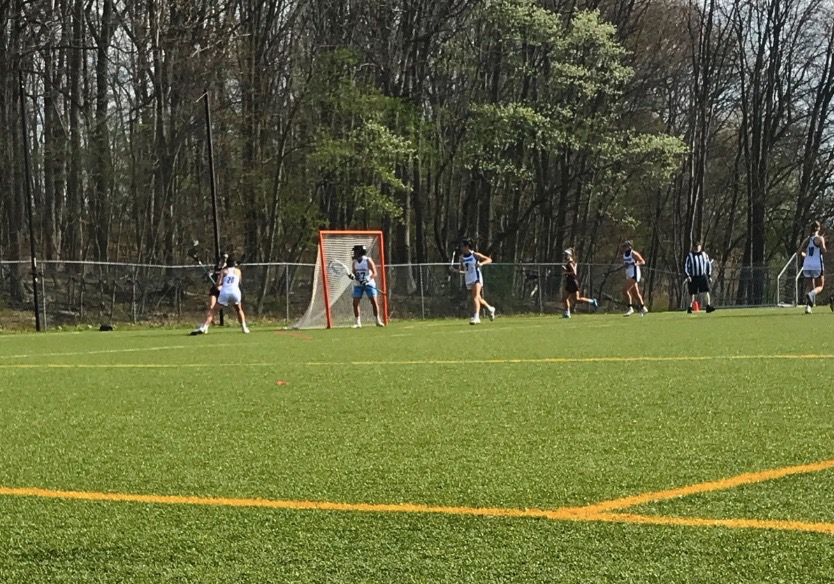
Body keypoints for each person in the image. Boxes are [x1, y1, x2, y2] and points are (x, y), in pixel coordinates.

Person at [192, 258, 250, 334]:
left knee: (214, 310)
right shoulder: (238, 271)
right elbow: (239, 282)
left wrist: (219, 286)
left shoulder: (223, 271)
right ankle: (244, 328)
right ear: (234, 263)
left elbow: (218, 283)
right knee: (239, 309)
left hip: (225, 292)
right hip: (235, 292)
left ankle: (204, 327)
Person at [457, 239, 496, 325]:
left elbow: (489, 259)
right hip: (468, 279)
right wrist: (455, 271)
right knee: (478, 298)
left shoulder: (475, 255)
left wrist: (481, 264)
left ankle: (476, 317)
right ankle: (490, 308)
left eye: (463, 246)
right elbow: (464, 271)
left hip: (476, 278)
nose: (461, 248)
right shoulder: (462, 258)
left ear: (467, 247)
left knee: (474, 297)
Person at [350, 245, 385, 328]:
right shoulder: (354, 262)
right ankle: (357, 322)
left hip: (369, 284)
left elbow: (375, 273)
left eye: (355, 251)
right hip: (358, 284)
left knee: (374, 301)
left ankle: (377, 320)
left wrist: (368, 279)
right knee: (355, 303)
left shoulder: (368, 260)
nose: (354, 253)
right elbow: (354, 273)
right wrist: (352, 276)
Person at [798, 221, 826, 314]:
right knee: (820, 287)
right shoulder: (819, 239)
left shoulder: (807, 239)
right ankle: (810, 295)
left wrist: (806, 256)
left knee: (811, 287)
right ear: (819, 228)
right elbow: (824, 251)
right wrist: (824, 242)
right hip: (816, 265)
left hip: (806, 265)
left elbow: (800, 252)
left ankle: (808, 308)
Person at [561, 248, 598, 318]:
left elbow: (574, 273)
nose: (565, 256)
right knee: (569, 299)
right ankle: (567, 313)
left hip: (572, 282)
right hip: (570, 282)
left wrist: (565, 272)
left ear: (570, 255)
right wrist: (565, 270)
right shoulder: (571, 262)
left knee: (572, 299)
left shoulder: (570, 262)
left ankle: (592, 301)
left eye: (566, 255)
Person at [684, 242, 716, 314]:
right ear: (693, 247)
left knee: (706, 291)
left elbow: (708, 265)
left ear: (700, 247)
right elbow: (686, 266)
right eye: (695, 247)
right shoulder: (690, 256)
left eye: (697, 246)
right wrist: (688, 276)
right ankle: (689, 308)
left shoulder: (704, 255)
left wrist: (709, 275)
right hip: (693, 277)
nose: (696, 248)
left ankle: (708, 306)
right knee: (692, 293)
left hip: (702, 276)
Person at [622, 241, 648, 316]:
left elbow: (642, 261)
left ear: (629, 246)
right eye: (624, 246)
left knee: (625, 290)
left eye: (626, 246)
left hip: (634, 274)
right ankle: (643, 308)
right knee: (635, 293)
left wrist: (636, 264)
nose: (624, 248)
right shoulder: (624, 255)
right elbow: (626, 264)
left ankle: (630, 308)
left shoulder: (633, 253)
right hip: (629, 274)